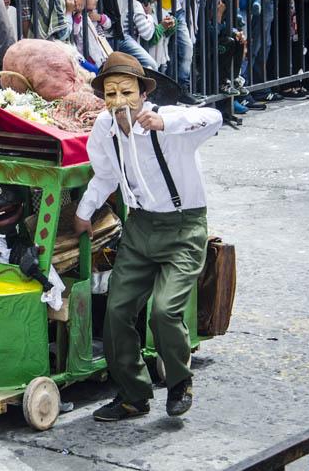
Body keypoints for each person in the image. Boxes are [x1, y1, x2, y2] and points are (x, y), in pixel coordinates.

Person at [72, 51, 222, 421]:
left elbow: (213, 117)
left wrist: (165, 123)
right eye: (110, 94)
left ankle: (179, 383)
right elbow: (105, 175)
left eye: (126, 92)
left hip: (183, 227)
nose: (119, 101)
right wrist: (83, 212)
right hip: (139, 227)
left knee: (165, 311)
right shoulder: (104, 129)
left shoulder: (167, 120)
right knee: (117, 311)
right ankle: (132, 395)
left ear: (141, 92)